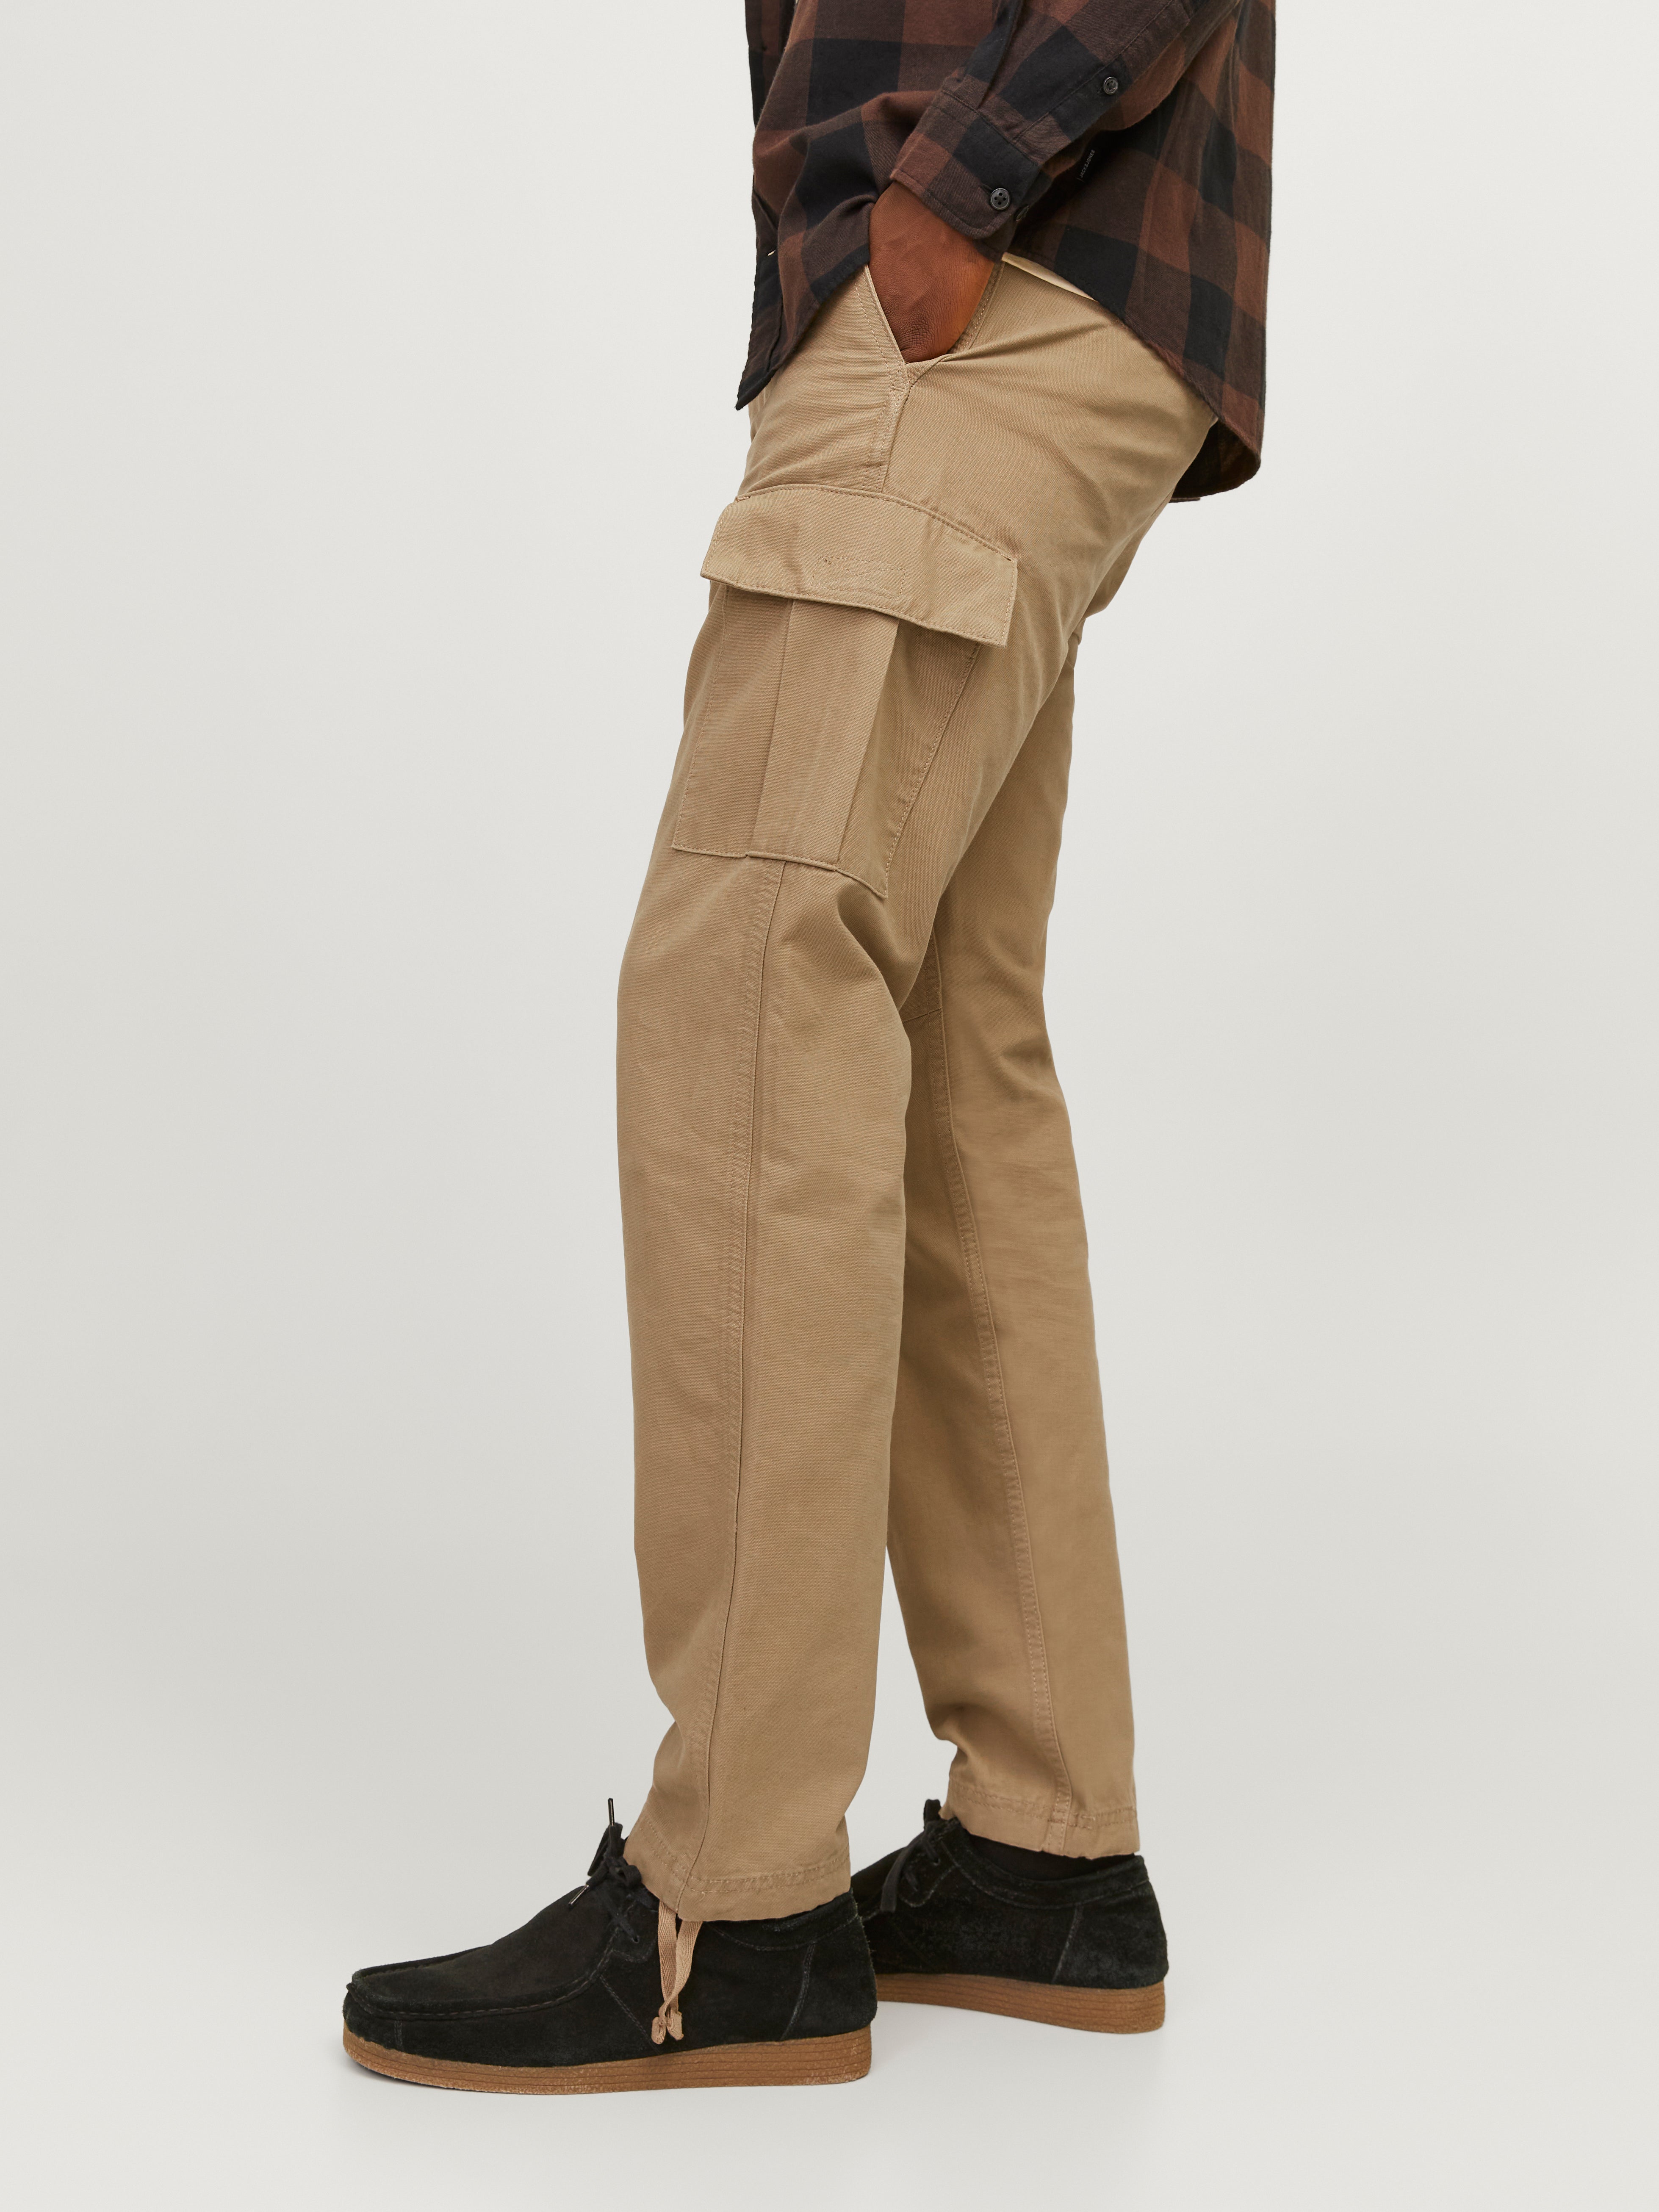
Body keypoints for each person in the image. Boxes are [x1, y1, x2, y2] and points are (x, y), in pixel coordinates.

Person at [343, 0, 1275, 2093]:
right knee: (934, 1048)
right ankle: (1042, 1847)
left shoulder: (966, 215)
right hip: (1049, 283)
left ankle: (730, 1898)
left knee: (750, 986)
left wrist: (948, 192)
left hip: (987, 267)